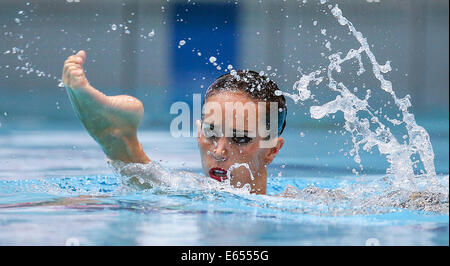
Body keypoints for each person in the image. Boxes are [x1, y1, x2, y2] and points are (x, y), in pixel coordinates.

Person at [62, 50, 287, 194]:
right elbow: (148, 179)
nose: (219, 152)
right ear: (199, 132)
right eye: (211, 133)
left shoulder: (298, 204)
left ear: (271, 150)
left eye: (240, 138)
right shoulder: (186, 190)